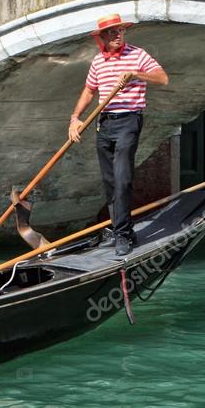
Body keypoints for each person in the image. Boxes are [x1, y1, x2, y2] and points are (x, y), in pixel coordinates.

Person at [68, 13, 169, 257]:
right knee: (110, 182)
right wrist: (74, 118)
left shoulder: (138, 55)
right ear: (101, 37)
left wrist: (136, 75)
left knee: (123, 178)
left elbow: (162, 78)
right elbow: (89, 90)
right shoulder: (97, 62)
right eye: (112, 32)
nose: (117, 35)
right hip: (104, 123)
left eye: (120, 30)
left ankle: (122, 234)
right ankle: (123, 230)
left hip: (129, 120)